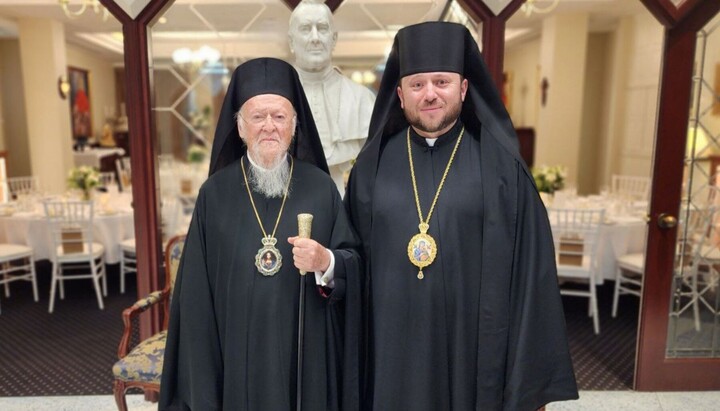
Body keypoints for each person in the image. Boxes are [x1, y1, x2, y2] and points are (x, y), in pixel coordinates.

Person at [345, 22, 578, 410]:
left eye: (442, 81)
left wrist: (528, 384)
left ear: (464, 88)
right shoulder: (371, 167)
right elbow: (350, 254)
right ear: (400, 95)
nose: (430, 94)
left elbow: (531, 277)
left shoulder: (503, 169)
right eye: (418, 84)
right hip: (391, 352)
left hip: (472, 351)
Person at [160, 58, 361, 411]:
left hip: (306, 352)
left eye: (280, 117)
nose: (269, 126)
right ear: (239, 128)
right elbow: (194, 294)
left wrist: (325, 261)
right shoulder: (214, 194)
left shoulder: (321, 188)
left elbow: (351, 262)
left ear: (294, 126)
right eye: (257, 116)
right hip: (234, 352)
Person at [288, 0, 376, 194]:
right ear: (291, 42)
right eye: (305, 29)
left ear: (334, 39)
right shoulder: (277, 100)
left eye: (322, 28)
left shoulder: (362, 100)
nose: (315, 38)